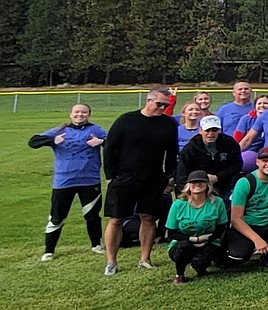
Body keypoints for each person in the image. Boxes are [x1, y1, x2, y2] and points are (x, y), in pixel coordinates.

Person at [102, 87, 178, 275]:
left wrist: (168, 176)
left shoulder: (168, 124)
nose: (162, 108)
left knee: (149, 217)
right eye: (159, 104)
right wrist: (111, 176)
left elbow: (172, 152)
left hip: (153, 178)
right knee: (116, 219)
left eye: (166, 105)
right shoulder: (126, 120)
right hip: (124, 176)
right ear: (148, 101)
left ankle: (145, 259)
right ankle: (111, 261)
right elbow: (110, 148)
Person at [28, 103, 107, 261]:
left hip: (90, 180)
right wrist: (51, 140)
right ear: (71, 114)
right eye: (76, 112)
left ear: (89, 114)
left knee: (92, 215)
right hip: (64, 181)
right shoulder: (60, 131)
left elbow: (117, 143)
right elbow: (33, 142)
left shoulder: (96, 130)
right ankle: (49, 250)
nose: (80, 114)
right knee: (57, 216)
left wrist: (101, 142)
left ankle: (96, 245)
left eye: (84, 112)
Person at [165, 171, 228, 285]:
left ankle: (201, 269)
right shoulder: (178, 204)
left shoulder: (217, 202)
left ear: (207, 185)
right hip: (183, 241)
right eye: (193, 182)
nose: (197, 184)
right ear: (188, 185)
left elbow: (221, 228)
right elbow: (171, 233)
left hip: (210, 240)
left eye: (201, 182)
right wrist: (193, 240)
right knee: (184, 248)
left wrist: (206, 240)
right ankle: (179, 275)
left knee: (200, 260)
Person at [175, 116, 243, 204]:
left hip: (225, 185)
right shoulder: (190, 149)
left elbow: (237, 165)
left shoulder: (230, 144)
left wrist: (218, 177)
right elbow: (182, 174)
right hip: (197, 188)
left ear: (220, 130)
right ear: (200, 130)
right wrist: (190, 192)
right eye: (207, 130)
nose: (210, 133)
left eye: (214, 130)